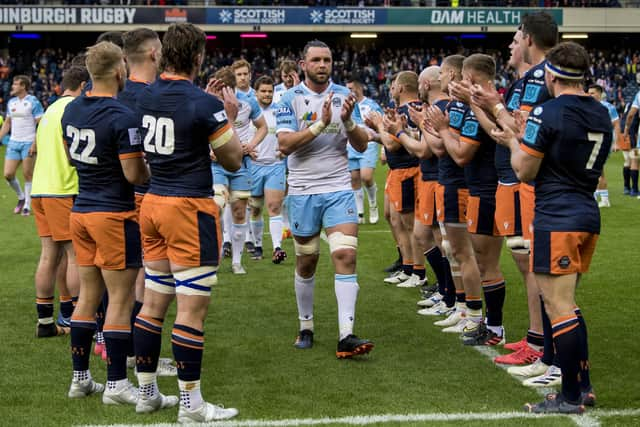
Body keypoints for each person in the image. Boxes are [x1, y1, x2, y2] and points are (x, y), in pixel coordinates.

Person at [491, 41, 609, 415]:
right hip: (587, 213)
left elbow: (525, 170)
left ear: (552, 75)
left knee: (558, 306)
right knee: (568, 305)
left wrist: (513, 139)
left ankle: (571, 396)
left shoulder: (548, 109)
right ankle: (582, 386)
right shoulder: (602, 112)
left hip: (556, 215)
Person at [134, 23, 242, 422]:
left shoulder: (144, 97)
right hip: (188, 207)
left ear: (162, 55)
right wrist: (227, 117)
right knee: (191, 309)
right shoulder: (203, 102)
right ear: (198, 57)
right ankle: (191, 406)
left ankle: (147, 392)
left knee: (153, 302)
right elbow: (233, 159)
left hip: (152, 202)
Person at [63, 41, 150, 406]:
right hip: (113, 213)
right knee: (120, 298)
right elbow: (133, 174)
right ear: (119, 71)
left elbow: (71, 159)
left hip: (81, 210)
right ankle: (116, 384)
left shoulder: (70, 111)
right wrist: (149, 168)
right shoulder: (121, 116)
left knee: (88, 295)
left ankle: (80, 378)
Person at [276, 39, 373, 358]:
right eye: (316, 60)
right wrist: (320, 124)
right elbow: (287, 144)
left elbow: (360, 145)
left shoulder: (345, 97)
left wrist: (346, 122)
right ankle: (306, 325)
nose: (322, 65)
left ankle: (347, 334)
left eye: (327, 60)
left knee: (345, 256)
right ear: (303, 65)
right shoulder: (288, 99)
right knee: (307, 260)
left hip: (338, 189)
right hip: (303, 191)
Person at [119, 27, 176, 377]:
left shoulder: (114, 94)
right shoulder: (153, 96)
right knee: (151, 274)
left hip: (110, 198)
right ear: (155, 54)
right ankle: (142, 355)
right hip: (147, 195)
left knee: (125, 277)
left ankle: (124, 351)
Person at [31, 66, 88, 338]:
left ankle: (45, 323)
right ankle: (78, 320)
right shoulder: (75, 109)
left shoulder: (48, 110)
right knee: (75, 256)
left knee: (48, 257)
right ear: (83, 85)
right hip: (64, 189)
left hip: (41, 190)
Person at [210, 65, 268, 274]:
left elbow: (263, 127)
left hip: (241, 163)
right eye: (219, 90)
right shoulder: (208, 104)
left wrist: (251, 144)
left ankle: (236, 261)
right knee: (216, 207)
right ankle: (214, 258)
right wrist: (207, 151)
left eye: (226, 90)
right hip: (216, 164)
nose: (222, 95)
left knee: (239, 211)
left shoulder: (247, 102)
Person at [248, 75, 287, 263]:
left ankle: (277, 248)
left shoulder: (280, 111)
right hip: (253, 166)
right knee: (255, 209)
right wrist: (246, 150)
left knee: (274, 207)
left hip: (275, 165)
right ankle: (257, 246)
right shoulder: (248, 111)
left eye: (270, 91)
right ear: (256, 93)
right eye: (263, 91)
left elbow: (289, 133)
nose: (267, 94)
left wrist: (285, 149)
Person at [0, 75, 44, 216]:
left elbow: (41, 124)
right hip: (13, 142)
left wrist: (35, 143)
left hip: (28, 142)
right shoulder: (11, 102)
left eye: (16, 84)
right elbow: (7, 123)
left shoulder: (33, 101)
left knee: (27, 174)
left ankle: (27, 206)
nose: (12, 86)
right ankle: (21, 197)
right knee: (8, 174)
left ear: (23, 86)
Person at [345, 77, 383, 225]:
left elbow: (383, 126)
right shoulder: (347, 105)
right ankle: (360, 213)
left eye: (350, 89)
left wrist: (384, 149)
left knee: (366, 177)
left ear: (359, 88)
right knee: (354, 179)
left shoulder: (371, 105)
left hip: (369, 144)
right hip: (350, 146)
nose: (348, 92)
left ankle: (373, 204)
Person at [588, 84, 620, 208]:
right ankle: (596, 196)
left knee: (598, 170)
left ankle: (605, 199)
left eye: (593, 93)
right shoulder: (588, 107)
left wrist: (616, 142)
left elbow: (616, 125)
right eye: (589, 93)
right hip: (592, 142)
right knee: (594, 170)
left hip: (603, 142)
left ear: (600, 94)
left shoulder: (608, 107)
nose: (590, 95)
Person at [622, 88, 640, 197]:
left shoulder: (637, 96)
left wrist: (626, 130)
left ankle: (631, 188)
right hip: (632, 135)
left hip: (632, 133)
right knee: (632, 159)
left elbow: (630, 115)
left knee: (632, 160)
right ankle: (629, 187)